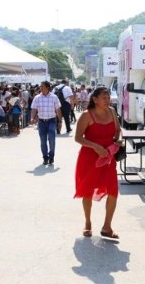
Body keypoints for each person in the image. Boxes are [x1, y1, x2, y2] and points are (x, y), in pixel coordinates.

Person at [73, 86, 122, 239]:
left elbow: (118, 130)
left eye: (108, 97)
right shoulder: (86, 115)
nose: (107, 100)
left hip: (108, 158)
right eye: (104, 98)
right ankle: (87, 223)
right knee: (87, 191)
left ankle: (107, 226)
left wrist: (117, 141)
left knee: (113, 190)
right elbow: (78, 138)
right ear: (95, 99)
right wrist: (95, 146)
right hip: (89, 159)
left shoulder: (112, 112)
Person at [30, 80, 63, 165]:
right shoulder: (37, 97)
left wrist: (60, 121)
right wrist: (32, 117)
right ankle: (45, 157)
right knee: (43, 141)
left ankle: (51, 156)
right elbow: (34, 109)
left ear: (47, 87)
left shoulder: (54, 97)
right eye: (40, 86)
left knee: (52, 140)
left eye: (42, 86)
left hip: (52, 121)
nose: (40, 88)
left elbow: (58, 110)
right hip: (41, 122)